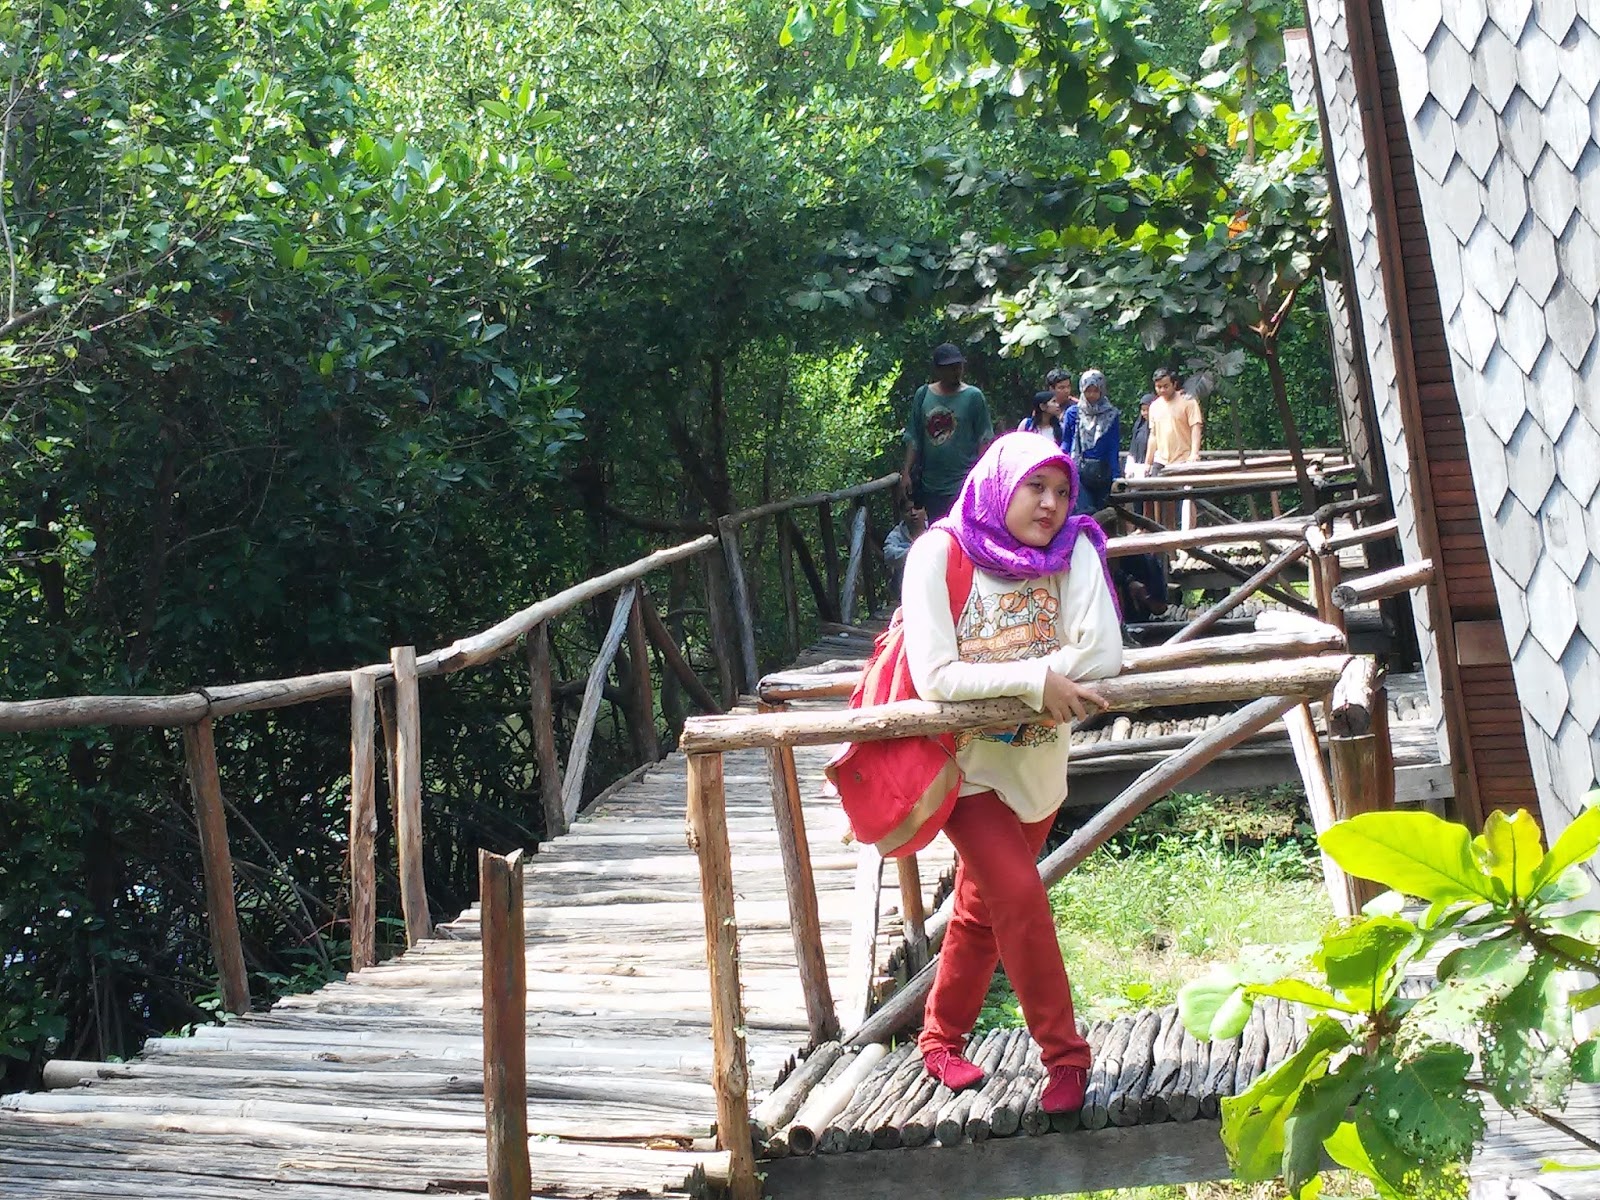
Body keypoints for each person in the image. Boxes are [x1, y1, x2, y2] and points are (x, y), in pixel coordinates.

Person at [899, 433, 1123, 1115]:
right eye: (1036, 488)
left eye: (1061, 490)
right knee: (1020, 899)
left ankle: (938, 1039)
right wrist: (1038, 676)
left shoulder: (1073, 549)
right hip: (964, 770)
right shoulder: (941, 552)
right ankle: (1065, 1057)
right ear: (1000, 484)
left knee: (979, 910)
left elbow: (1104, 656)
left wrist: (1020, 682)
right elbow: (934, 676)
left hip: (1039, 767)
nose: (1052, 504)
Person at [901, 342, 995, 523]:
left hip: (964, 481)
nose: (956, 371)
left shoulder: (973, 396)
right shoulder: (923, 395)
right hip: (932, 484)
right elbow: (914, 437)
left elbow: (984, 438)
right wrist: (906, 472)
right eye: (950, 368)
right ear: (938, 370)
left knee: (965, 529)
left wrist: (981, 476)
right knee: (940, 530)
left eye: (958, 366)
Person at [1060, 369, 1121, 515]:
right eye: (1088, 390)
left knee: (1104, 516)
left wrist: (1116, 477)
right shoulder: (1073, 413)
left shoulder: (1111, 414)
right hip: (1079, 472)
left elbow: (1113, 447)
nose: (1092, 395)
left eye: (1096, 390)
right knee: (1084, 513)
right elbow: (1066, 443)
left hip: (1103, 474)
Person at [1144, 367, 1204, 473]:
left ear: (1174, 384)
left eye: (1166, 386)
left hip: (1183, 459)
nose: (1162, 390)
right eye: (1159, 387)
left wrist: (1194, 453)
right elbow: (1153, 436)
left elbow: (1196, 427)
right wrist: (1148, 462)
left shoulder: (1188, 401)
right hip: (1161, 460)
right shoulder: (1154, 406)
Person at [882, 499, 929, 595]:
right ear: (902, 515)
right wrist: (915, 552)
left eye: (917, 508)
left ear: (925, 511)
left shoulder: (936, 528)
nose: (913, 513)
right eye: (908, 510)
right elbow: (888, 554)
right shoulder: (897, 534)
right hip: (904, 588)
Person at [1126, 393, 1154, 480]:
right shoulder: (1139, 427)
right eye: (1143, 410)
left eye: (1148, 410)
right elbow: (1133, 449)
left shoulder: (1160, 427)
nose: (1145, 413)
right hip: (1138, 469)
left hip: (1154, 468)